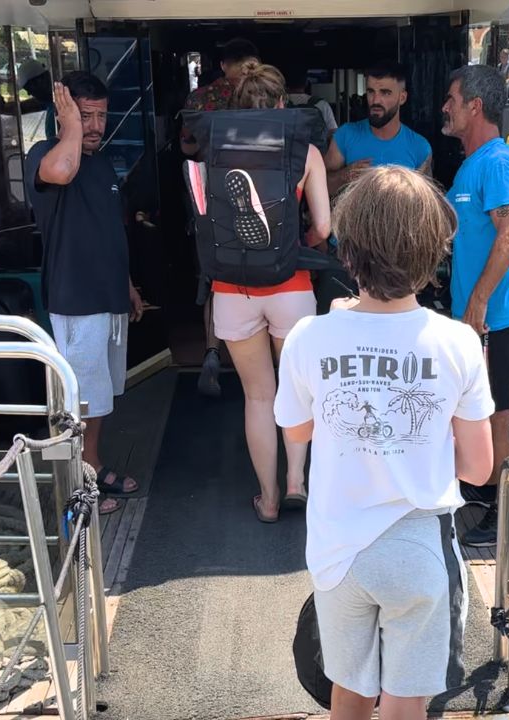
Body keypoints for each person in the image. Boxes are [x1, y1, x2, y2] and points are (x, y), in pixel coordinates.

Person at [274, 165, 494, 719]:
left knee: (348, 691)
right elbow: (477, 468)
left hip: (337, 550)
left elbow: (297, 431)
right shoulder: (458, 343)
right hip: (419, 548)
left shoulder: (309, 337)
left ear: (348, 250)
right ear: (435, 253)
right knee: (405, 701)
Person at [206, 61, 330, 523]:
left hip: (232, 287)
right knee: (297, 390)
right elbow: (322, 226)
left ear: (236, 106)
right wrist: (300, 245)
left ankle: (269, 498)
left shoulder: (216, 150)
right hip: (290, 283)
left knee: (258, 395)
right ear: (283, 105)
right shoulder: (306, 152)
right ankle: (297, 481)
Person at [24, 72, 145, 515]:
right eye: (84, 115)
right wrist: (69, 125)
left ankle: (91, 464)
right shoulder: (46, 155)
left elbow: (110, 231)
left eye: (100, 115)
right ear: (64, 114)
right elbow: (61, 170)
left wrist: (128, 286)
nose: (95, 125)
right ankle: (75, 485)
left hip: (108, 297)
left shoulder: (101, 163)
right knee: (76, 399)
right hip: (76, 299)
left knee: (100, 395)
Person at [441, 65, 509, 548]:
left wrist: (478, 301)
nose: (445, 107)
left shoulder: (498, 162)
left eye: (451, 99)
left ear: (474, 105)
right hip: (472, 318)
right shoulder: (472, 162)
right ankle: (480, 494)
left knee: (499, 413)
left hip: (496, 317)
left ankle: (501, 516)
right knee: (477, 407)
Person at [181, 37, 260, 399]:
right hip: (260, 193)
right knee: (261, 267)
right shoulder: (263, 93)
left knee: (215, 274)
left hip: (213, 194)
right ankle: (262, 363)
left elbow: (186, 146)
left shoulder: (201, 99)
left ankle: (213, 350)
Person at [324, 60, 431, 197]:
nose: (375, 100)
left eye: (385, 93)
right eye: (370, 92)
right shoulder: (345, 135)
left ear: (402, 98)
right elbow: (319, 187)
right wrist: (345, 176)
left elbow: (427, 205)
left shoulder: (420, 148)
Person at [284, 65, 338, 140]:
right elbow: (333, 132)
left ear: (285, 83)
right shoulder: (322, 104)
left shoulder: (280, 103)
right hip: (317, 149)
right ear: (306, 83)